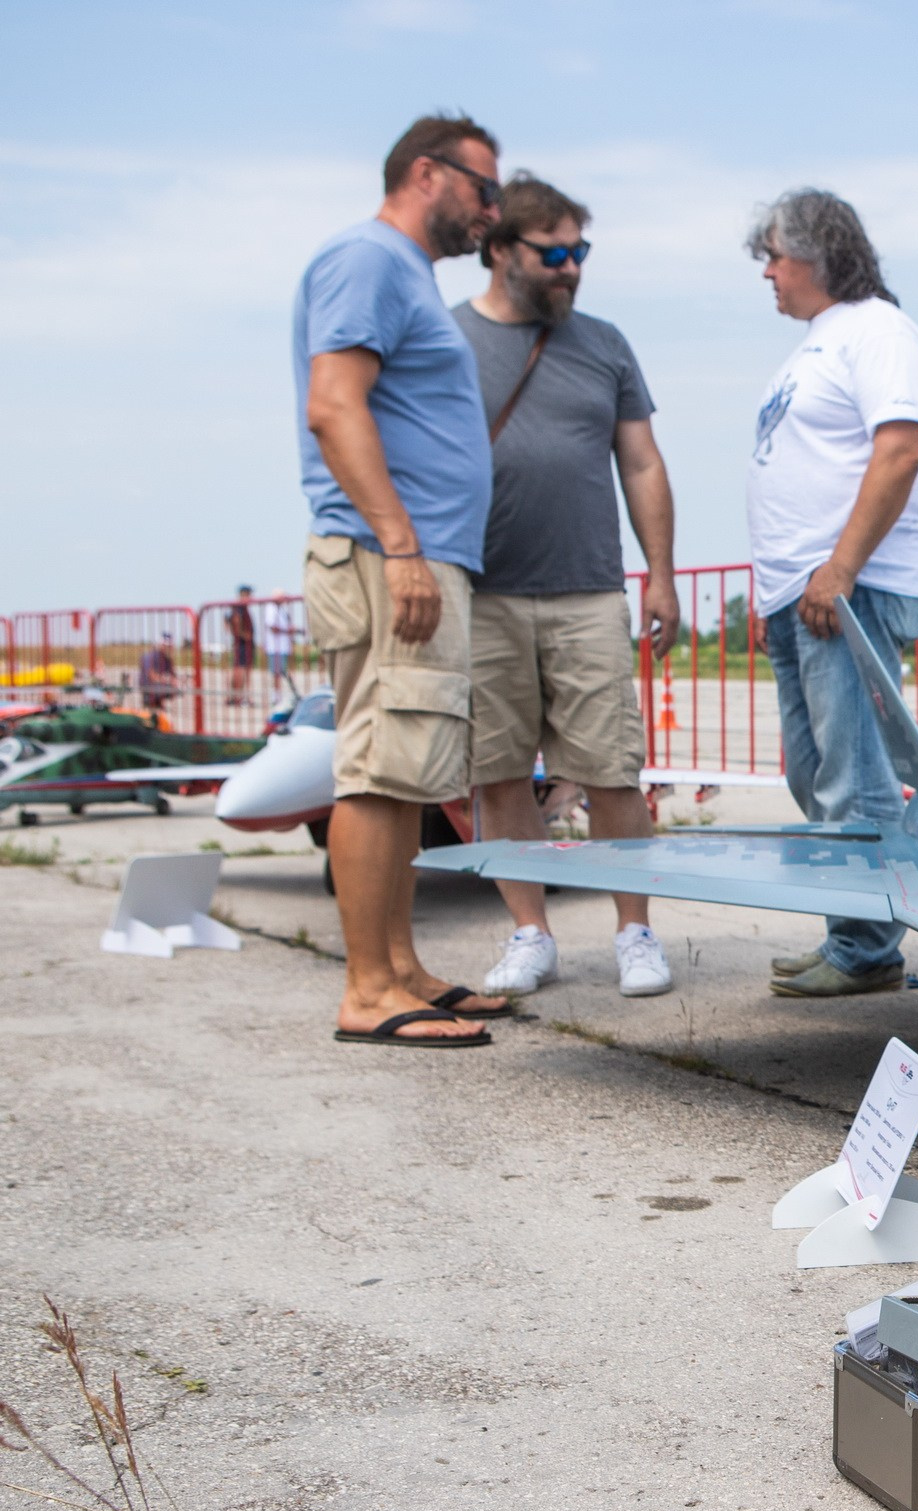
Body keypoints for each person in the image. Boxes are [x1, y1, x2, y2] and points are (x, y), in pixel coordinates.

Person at [293, 112, 508, 1048]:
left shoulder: (404, 272)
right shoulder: (370, 259)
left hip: (415, 553)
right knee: (380, 770)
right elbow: (333, 404)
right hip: (390, 556)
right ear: (428, 173)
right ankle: (368, 988)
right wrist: (401, 542)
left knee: (407, 769)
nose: (492, 211)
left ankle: (400, 966)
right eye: (484, 189)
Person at [453, 174, 682, 998]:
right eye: (553, 254)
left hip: (587, 589)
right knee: (499, 771)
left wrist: (660, 574)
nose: (572, 268)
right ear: (499, 250)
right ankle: (530, 934)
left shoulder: (605, 344)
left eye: (579, 251)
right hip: (482, 594)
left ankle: (635, 931)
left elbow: (642, 461)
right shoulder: (446, 340)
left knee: (612, 769)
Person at [745, 188, 918, 996]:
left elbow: (900, 450)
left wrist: (841, 567)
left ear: (817, 254)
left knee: (853, 778)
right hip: (805, 593)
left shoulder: (877, 330)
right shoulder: (818, 343)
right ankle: (850, 932)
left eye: (774, 255)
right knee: (816, 775)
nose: (768, 272)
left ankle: (866, 947)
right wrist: (776, 591)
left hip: (847, 589)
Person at [227, 585, 258, 704]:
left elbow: (229, 621)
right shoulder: (239, 608)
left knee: (241, 670)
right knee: (240, 670)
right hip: (242, 645)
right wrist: (244, 635)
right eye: (249, 594)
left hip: (243, 644)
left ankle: (235, 697)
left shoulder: (240, 608)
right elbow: (234, 622)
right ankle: (236, 697)